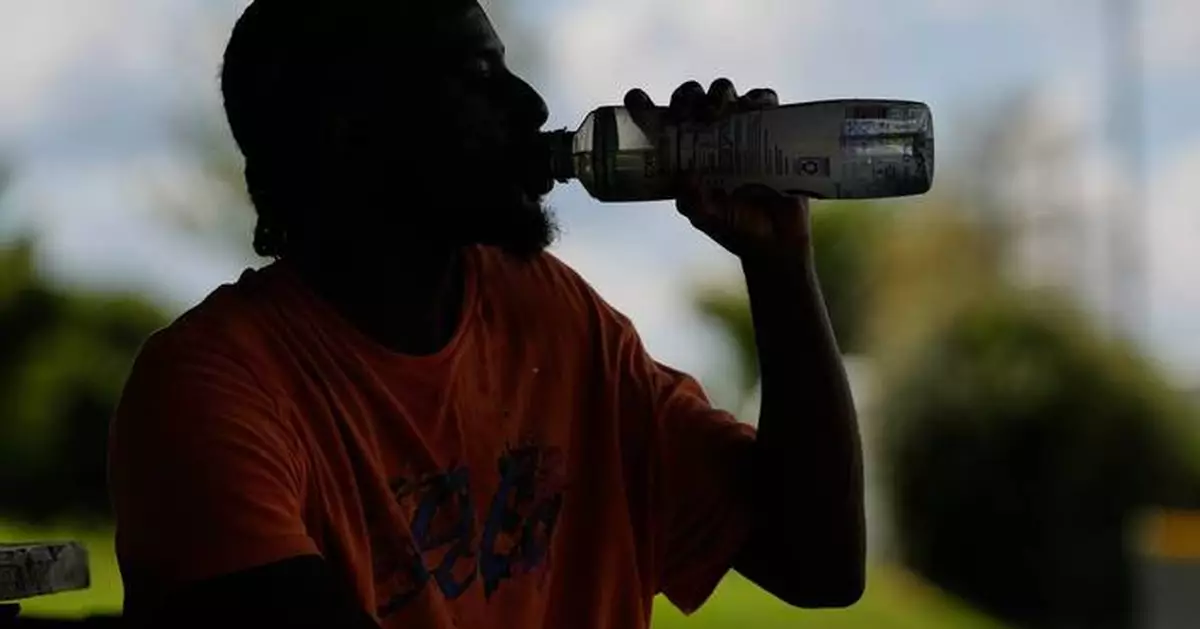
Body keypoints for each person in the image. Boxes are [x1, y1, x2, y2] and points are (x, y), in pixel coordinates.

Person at [106, 0, 865, 627]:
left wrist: (779, 266)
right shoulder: (214, 390)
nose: (530, 106)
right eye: (476, 75)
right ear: (349, 125)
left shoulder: (553, 317)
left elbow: (818, 564)